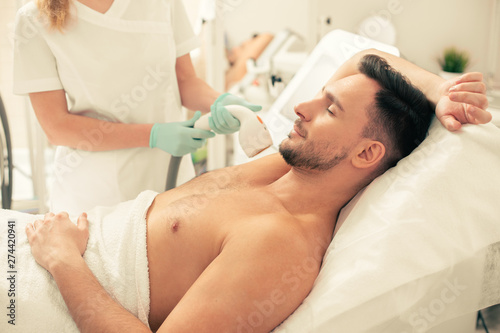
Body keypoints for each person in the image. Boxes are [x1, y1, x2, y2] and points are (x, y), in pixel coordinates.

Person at [16, 49, 490, 332]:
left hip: (38, 288)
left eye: (329, 108)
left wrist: (64, 260)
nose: (301, 107)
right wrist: (438, 87)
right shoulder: (283, 172)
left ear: (366, 155)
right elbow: (365, 59)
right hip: (37, 243)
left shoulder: (282, 242)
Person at [12, 0, 260, 215]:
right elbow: (57, 127)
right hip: (97, 196)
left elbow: (185, 82)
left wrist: (219, 102)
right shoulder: (34, 20)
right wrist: (153, 135)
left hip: (169, 179)